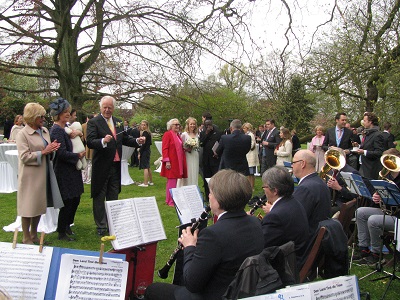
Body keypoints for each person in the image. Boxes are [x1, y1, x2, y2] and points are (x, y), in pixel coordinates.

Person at [144, 169, 264, 300]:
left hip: (216, 294)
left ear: (218, 200)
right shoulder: (255, 222)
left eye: (211, 193)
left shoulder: (213, 235)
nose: (209, 197)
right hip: (242, 290)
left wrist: (190, 247)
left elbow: (192, 283)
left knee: (153, 290)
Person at [86, 96, 145, 236]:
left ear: (113, 108)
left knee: (113, 194)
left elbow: (125, 139)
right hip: (101, 165)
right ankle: (101, 226)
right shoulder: (94, 122)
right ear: (100, 108)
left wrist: (137, 140)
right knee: (99, 195)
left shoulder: (117, 121)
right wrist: (103, 141)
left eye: (110, 107)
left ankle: (112, 223)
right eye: (104, 107)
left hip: (116, 165)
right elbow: (90, 141)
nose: (107, 110)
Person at [16, 103, 61, 244]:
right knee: (28, 207)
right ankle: (26, 237)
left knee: (39, 206)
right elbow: (24, 157)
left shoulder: (45, 131)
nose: (43, 118)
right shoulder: (22, 134)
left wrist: (52, 149)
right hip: (30, 176)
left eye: (43, 116)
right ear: (32, 117)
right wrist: (44, 152)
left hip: (44, 173)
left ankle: (34, 235)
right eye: (40, 116)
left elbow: (47, 150)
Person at [354, 148, 400, 265]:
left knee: (373, 220)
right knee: (361, 212)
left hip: (398, 217)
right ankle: (363, 248)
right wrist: (377, 195)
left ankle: (377, 254)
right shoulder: (386, 175)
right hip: (388, 212)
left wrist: (387, 197)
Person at [49, 98, 85, 241]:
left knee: (75, 199)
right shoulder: (56, 130)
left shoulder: (66, 128)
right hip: (64, 171)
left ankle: (67, 225)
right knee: (68, 201)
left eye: (68, 111)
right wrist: (78, 155)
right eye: (64, 112)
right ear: (58, 114)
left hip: (72, 170)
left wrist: (79, 134)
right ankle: (61, 232)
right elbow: (61, 153)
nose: (68, 114)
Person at [260, 166, 309, 267]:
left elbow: (260, 246)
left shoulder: (275, 216)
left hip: (286, 266)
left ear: (275, 191)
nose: (264, 191)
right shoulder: (294, 202)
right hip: (298, 257)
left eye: (264, 187)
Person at [292, 150, 331, 237]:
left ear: (302, 164)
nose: (292, 166)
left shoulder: (305, 188)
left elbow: (294, 219)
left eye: (293, 162)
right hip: (319, 234)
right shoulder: (319, 182)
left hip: (307, 239)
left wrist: (274, 210)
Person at [160, 118, 188, 206]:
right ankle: (170, 201)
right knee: (171, 181)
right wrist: (167, 161)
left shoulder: (178, 135)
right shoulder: (167, 134)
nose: (177, 126)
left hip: (178, 161)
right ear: (170, 126)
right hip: (171, 161)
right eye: (175, 124)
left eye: (178, 124)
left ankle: (170, 199)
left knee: (174, 181)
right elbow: (165, 148)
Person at [354, 112, 385, 179]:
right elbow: (368, 146)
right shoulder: (368, 133)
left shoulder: (377, 135)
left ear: (370, 122)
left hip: (371, 168)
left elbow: (379, 152)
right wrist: (359, 147)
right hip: (363, 165)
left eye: (365, 121)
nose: (363, 122)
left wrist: (364, 152)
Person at [199, 119, 222, 202]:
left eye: (209, 124)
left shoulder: (218, 132)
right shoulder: (203, 133)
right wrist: (207, 134)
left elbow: (220, 144)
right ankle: (207, 196)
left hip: (215, 159)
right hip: (206, 159)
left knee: (215, 178)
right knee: (206, 179)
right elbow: (201, 143)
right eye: (206, 125)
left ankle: (217, 196)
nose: (208, 126)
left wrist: (217, 152)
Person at [177, 117, 199, 187]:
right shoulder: (184, 134)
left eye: (194, 124)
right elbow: (181, 146)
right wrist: (187, 148)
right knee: (188, 172)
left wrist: (195, 146)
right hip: (187, 155)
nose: (192, 125)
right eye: (191, 124)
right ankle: (185, 187)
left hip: (195, 155)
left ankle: (193, 187)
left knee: (194, 172)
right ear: (188, 125)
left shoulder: (197, 134)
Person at [242, 122, 259, 190]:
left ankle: (252, 186)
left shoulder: (250, 135)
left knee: (251, 173)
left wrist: (245, 146)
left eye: (244, 128)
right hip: (248, 155)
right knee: (249, 173)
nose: (243, 129)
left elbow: (252, 144)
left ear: (248, 128)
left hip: (251, 156)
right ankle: (249, 186)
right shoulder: (247, 134)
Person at [138, 120, 154, 187]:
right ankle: (151, 181)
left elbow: (143, 144)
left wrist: (139, 152)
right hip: (147, 150)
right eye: (142, 124)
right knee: (148, 166)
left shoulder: (145, 133)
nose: (143, 126)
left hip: (145, 151)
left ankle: (145, 183)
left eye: (144, 125)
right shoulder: (148, 133)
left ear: (147, 126)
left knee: (145, 167)